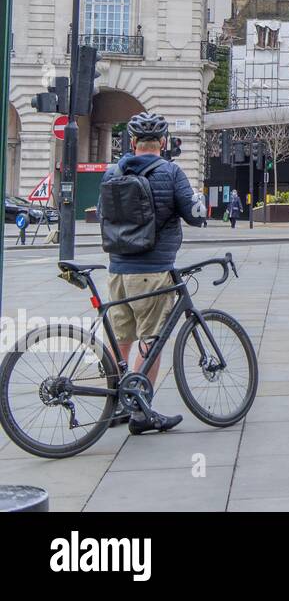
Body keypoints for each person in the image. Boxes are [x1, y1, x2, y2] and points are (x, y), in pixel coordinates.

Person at [102, 112, 208, 434]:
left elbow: (103, 213)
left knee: (121, 340)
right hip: (153, 271)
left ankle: (116, 403)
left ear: (132, 143)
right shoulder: (171, 172)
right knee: (152, 341)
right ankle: (140, 412)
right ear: (163, 144)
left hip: (117, 271)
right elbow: (193, 215)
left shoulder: (111, 172)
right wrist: (198, 206)